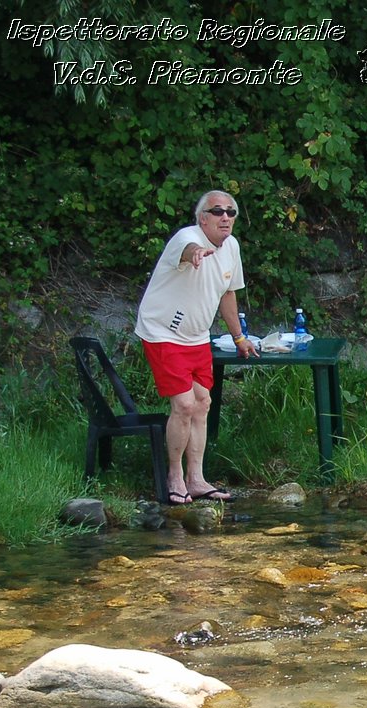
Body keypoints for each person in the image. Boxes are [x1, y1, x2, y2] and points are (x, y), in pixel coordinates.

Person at [133, 189, 256, 504]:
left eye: (231, 212)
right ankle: (174, 476)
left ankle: (196, 479)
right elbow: (186, 250)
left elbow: (229, 295)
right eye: (217, 211)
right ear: (203, 218)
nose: (225, 217)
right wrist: (195, 254)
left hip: (197, 335)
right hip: (163, 331)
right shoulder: (187, 237)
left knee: (203, 403)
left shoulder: (232, 247)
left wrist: (239, 338)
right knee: (184, 404)